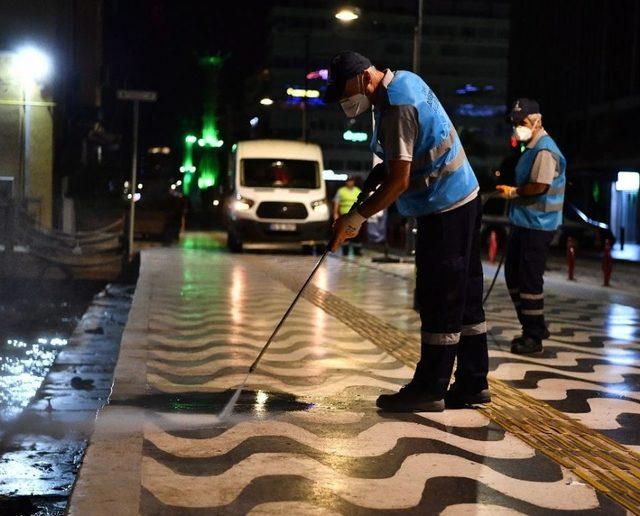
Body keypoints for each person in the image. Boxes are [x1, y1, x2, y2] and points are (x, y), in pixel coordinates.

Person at [325, 51, 489, 412]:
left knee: (440, 295)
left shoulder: (397, 107)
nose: (342, 99)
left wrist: (356, 218)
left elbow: (399, 181)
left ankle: (430, 388)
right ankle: (474, 382)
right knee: (464, 295)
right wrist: (370, 186)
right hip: (464, 196)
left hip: (445, 205)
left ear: (363, 78)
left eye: (343, 91)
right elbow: (399, 161)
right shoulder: (405, 80)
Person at [496, 98, 566, 354]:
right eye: (515, 123)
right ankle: (534, 324)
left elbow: (540, 187)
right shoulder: (531, 147)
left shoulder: (545, 150)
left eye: (522, 122)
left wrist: (513, 193)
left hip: (539, 225)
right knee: (513, 275)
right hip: (525, 222)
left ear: (538, 121)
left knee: (529, 280)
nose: (518, 127)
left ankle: (533, 336)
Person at [332, 176, 363, 255]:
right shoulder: (341, 191)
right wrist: (335, 213)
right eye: (348, 181)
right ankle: (345, 251)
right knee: (344, 234)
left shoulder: (357, 191)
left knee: (356, 234)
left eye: (351, 181)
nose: (349, 182)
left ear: (353, 182)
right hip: (344, 216)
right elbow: (336, 202)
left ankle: (357, 251)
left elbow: (362, 202)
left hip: (356, 216)